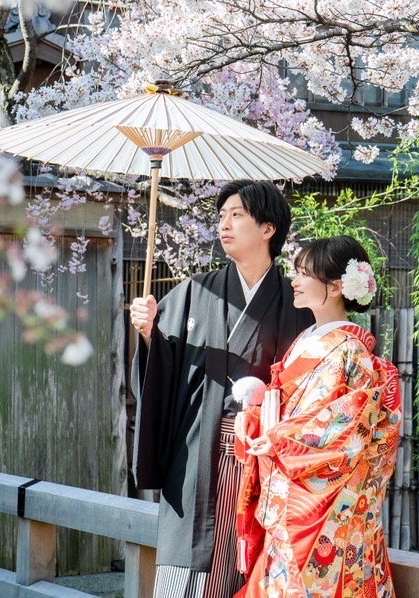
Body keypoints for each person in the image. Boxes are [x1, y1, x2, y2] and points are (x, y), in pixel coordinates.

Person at [130, 179, 314, 598]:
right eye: (220, 216)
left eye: (236, 215)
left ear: (268, 228)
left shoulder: (295, 300)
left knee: (251, 567)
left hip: (264, 464)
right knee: (185, 566)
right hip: (196, 455)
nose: (223, 225)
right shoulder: (195, 291)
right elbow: (159, 371)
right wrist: (147, 334)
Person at [232, 235, 402, 598]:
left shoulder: (350, 350)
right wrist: (258, 417)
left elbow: (344, 424)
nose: (294, 280)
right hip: (286, 483)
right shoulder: (308, 338)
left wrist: (278, 437)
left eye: (304, 273)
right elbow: (289, 408)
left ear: (337, 286)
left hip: (321, 496)